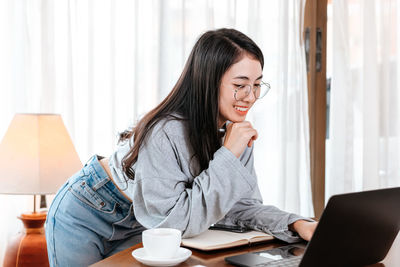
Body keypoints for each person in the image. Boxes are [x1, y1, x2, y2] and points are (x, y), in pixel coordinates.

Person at [45, 28, 317, 266]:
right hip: (87, 209)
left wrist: (296, 223)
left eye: (257, 85)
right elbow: (172, 223)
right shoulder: (166, 130)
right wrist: (228, 154)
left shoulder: (237, 135)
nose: (251, 97)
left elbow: (237, 208)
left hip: (145, 220)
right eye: (240, 85)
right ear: (209, 82)